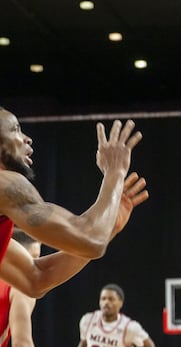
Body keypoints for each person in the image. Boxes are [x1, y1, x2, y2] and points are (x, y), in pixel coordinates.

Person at [0, 108, 148, 299]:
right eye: (15, 129)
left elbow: (36, 278)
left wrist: (109, 225)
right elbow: (90, 239)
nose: (27, 138)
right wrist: (114, 173)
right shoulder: (5, 185)